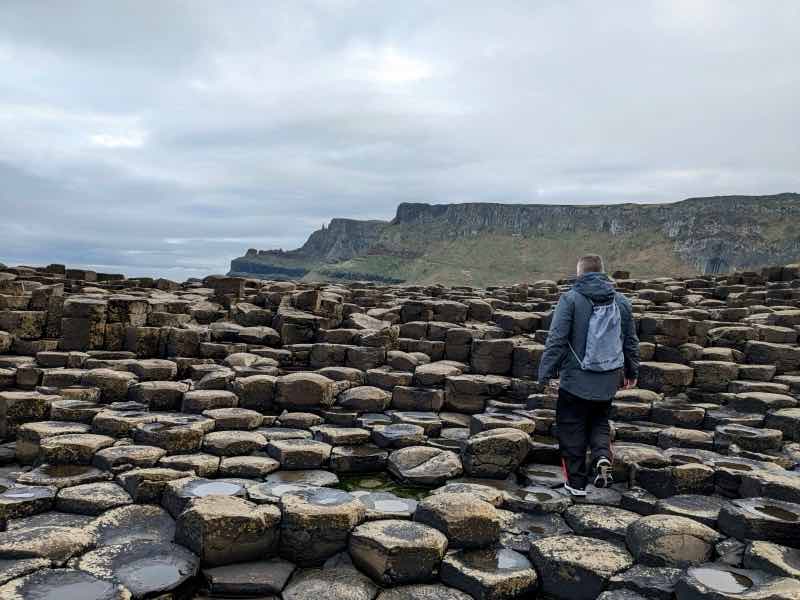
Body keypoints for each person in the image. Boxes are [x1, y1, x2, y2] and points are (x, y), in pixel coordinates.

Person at [538, 254, 639, 496]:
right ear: (603, 272)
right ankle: (602, 457)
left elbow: (556, 340)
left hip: (575, 380)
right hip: (607, 379)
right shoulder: (622, 302)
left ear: (580, 273)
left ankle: (576, 484)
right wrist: (632, 371)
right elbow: (631, 341)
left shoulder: (571, 299)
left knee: (571, 428)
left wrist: (545, 373)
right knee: (599, 422)